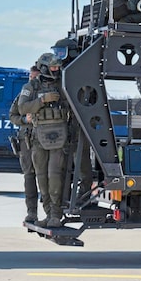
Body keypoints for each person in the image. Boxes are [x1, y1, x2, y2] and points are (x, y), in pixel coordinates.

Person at [18, 53, 68, 228]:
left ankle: (55, 214)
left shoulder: (62, 84)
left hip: (59, 136)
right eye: (53, 67)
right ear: (45, 67)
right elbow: (22, 108)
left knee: (54, 176)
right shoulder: (31, 86)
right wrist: (42, 100)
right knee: (41, 177)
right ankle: (48, 213)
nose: (56, 69)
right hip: (38, 137)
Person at [52, 37, 93, 203]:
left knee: (82, 164)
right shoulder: (63, 72)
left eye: (61, 53)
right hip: (66, 125)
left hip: (80, 124)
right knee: (63, 164)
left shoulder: (81, 70)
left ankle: (83, 196)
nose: (59, 56)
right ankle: (65, 196)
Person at [8, 65, 40, 222]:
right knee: (29, 175)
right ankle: (32, 212)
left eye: (35, 78)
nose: (32, 81)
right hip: (26, 139)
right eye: (30, 78)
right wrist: (23, 120)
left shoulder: (45, 94)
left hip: (44, 139)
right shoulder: (23, 95)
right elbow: (12, 115)